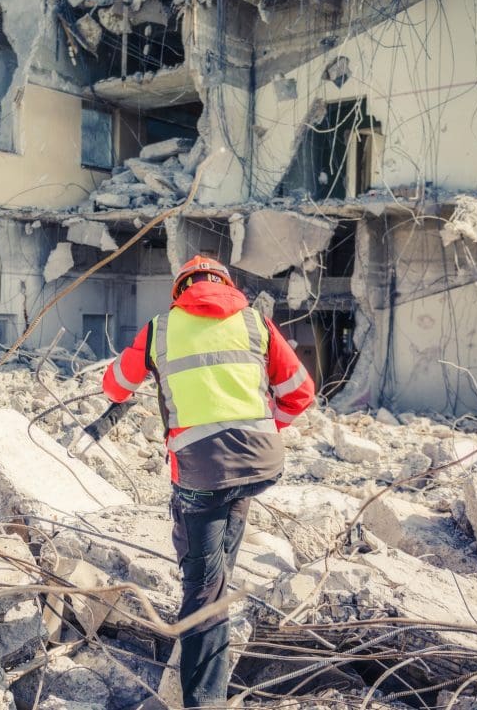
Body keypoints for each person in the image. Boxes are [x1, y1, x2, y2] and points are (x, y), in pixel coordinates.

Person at [101, 255, 314, 707]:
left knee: (202, 591)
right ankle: (217, 627)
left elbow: (115, 386)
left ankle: (204, 700)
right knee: (219, 566)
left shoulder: (161, 328)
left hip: (201, 473)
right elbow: (301, 392)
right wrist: (262, 429)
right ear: (227, 284)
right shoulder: (256, 324)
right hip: (258, 464)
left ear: (179, 290)